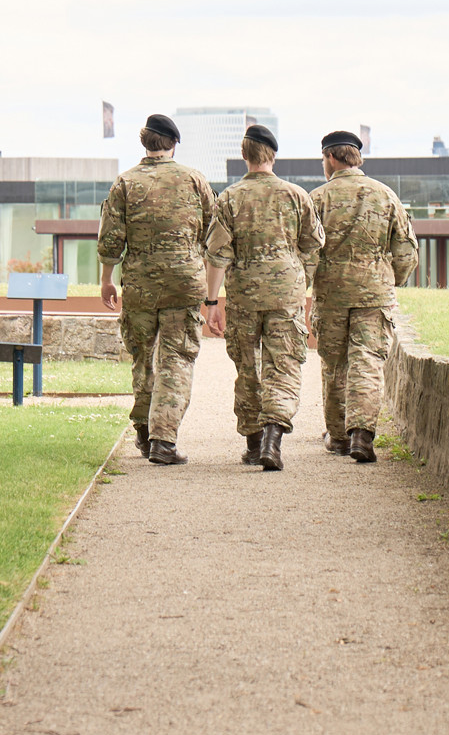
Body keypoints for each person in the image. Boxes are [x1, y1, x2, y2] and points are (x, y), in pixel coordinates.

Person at [204, 124, 323, 471]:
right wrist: (302, 281)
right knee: (283, 366)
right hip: (286, 292)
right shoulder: (297, 196)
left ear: (244, 156)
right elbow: (313, 244)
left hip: (244, 295)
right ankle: (274, 437)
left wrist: (212, 303)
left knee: (248, 366)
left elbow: (217, 255)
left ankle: (254, 443)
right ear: (272, 155)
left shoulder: (229, 198)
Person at [98, 114, 215, 465]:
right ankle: (164, 439)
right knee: (176, 359)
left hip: (140, 285)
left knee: (143, 358)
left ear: (144, 142)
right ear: (173, 144)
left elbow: (110, 239)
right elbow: (214, 231)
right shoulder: (194, 180)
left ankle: (143, 432)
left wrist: (106, 280)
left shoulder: (125, 183)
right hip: (185, 282)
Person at [309, 129, 418, 463]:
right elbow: (407, 251)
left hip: (332, 295)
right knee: (367, 360)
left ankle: (339, 437)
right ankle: (362, 434)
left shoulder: (317, 199)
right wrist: (389, 280)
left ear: (330, 158)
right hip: (374, 294)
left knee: (335, 363)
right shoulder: (385, 196)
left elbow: (307, 251)